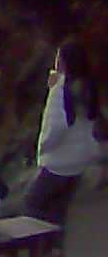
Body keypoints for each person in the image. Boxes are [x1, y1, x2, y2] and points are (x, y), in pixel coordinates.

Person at [27, 41, 98, 221]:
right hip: (79, 160)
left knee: (32, 204)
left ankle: (40, 247)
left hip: (58, 162)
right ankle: (55, 247)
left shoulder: (61, 89)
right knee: (59, 211)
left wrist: (42, 147)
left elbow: (56, 126)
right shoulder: (88, 85)